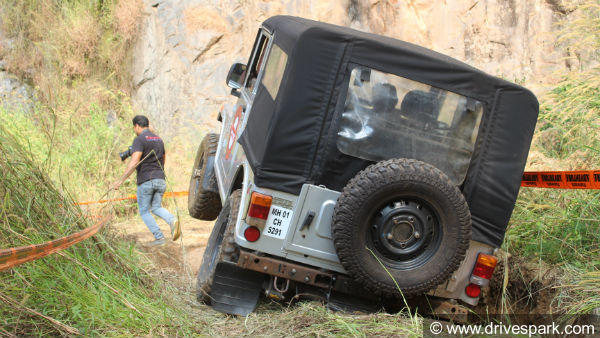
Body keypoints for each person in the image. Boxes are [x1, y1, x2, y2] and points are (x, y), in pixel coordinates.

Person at [111, 115, 180, 246]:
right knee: (156, 207)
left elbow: (134, 161)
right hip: (160, 179)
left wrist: (121, 180)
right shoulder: (159, 139)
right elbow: (163, 159)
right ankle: (172, 220)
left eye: (134, 127)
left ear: (137, 126)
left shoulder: (139, 139)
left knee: (144, 211)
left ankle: (159, 238)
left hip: (146, 180)